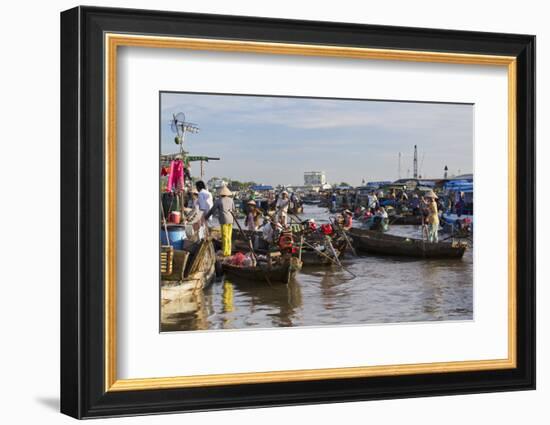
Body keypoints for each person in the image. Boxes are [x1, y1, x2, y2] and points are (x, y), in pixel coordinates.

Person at [204, 186, 235, 256]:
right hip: (231, 220)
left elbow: (212, 210)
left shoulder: (219, 201)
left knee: (225, 236)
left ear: (221, 194)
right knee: (229, 236)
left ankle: (225, 252)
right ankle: (228, 252)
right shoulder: (231, 200)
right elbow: (233, 209)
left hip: (224, 220)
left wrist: (206, 217)